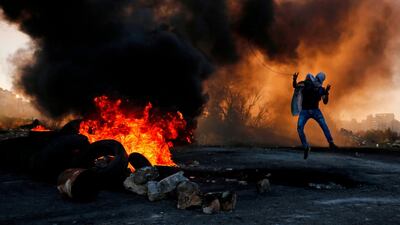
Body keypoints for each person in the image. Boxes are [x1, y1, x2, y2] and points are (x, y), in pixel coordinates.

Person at [292, 72, 338, 159]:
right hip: (305, 111)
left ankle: (331, 142)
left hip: (315, 111)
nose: (316, 81)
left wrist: (327, 92)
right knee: (300, 128)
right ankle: (306, 147)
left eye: (318, 80)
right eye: (316, 79)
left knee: (324, 125)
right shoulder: (305, 84)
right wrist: (294, 79)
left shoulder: (320, 89)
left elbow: (325, 101)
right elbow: (295, 86)